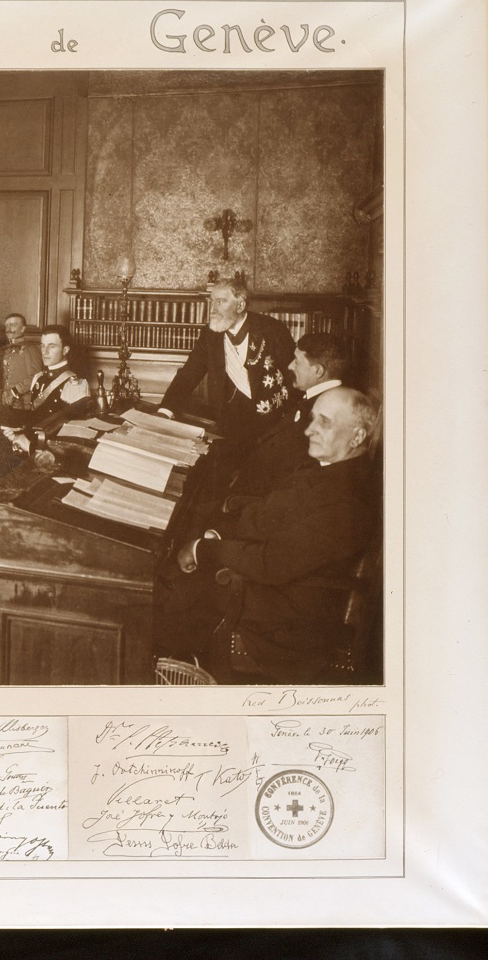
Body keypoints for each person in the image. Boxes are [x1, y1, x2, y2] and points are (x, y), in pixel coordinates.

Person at [156, 387, 380, 683]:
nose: (309, 430)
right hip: (279, 586)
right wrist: (216, 533)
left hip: (290, 621)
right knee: (167, 581)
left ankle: (175, 671)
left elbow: (272, 563)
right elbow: (268, 515)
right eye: (313, 419)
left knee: (163, 595)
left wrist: (204, 550)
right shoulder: (329, 468)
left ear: (357, 436)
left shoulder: (349, 500)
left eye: (324, 422)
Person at [160, 271, 296, 441]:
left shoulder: (272, 330)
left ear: (240, 306)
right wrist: (165, 411)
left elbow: (294, 378)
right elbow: (188, 375)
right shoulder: (210, 334)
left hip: (270, 426)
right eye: (212, 302)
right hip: (227, 425)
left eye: (220, 302)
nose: (213, 310)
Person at [227, 332, 352, 501]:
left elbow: (300, 476)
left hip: (264, 500)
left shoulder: (328, 409)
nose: (290, 366)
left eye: (297, 361)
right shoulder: (313, 397)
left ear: (318, 371)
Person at [7, 324, 94, 430]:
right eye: (43, 346)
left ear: (65, 350)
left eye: (52, 346)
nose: (45, 352)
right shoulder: (38, 378)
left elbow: (75, 429)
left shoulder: (75, 385)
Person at [0, 312, 47, 406]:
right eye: (6, 326)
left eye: (12, 325)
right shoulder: (4, 350)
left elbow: (35, 377)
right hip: (3, 402)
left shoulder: (30, 349)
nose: (8, 329)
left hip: (22, 404)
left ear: (23, 329)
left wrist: (14, 392)